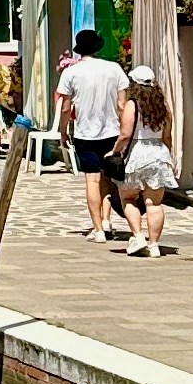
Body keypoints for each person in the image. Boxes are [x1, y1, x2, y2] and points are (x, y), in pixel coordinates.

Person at [52, 26, 131, 238]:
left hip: (85, 133)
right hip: (112, 131)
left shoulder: (71, 72)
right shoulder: (114, 69)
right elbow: (122, 104)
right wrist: (126, 130)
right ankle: (106, 221)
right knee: (108, 178)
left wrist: (63, 132)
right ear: (97, 48)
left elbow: (65, 107)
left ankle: (98, 229)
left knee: (92, 180)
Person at [119, 66, 180, 256]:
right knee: (154, 203)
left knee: (128, 198)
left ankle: (138, 236)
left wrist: (114, 151)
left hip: (137, 153)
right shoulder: (163, 106)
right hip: (158, 154)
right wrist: (167, 154)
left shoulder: (132, 105)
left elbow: (125, 134)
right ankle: (154, 245)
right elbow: (167, 135)